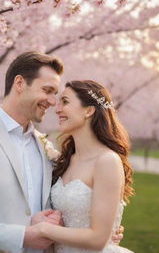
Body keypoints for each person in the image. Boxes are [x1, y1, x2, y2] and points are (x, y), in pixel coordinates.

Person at [0, 52, 123, 253]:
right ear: (19, 83)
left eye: (57, 95)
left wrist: (100, 232)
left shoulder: (47, 148)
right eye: (47, 91)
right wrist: (23, 236)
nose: (53, 102)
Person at [33, 80, 134, 253]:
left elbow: (98, 240)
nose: (57, 109)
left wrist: (43, 229)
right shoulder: (64, 161)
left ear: (89, 110)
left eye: (65, 102)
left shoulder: (107, 161)